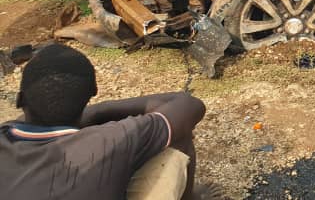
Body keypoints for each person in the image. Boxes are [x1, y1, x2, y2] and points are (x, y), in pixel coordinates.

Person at [0, 45, 210, 200]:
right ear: (93, 93)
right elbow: (188, 105)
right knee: (180, 135)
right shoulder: (109, 142)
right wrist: (98, 110)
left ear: (19, 100)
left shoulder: (5, 135)